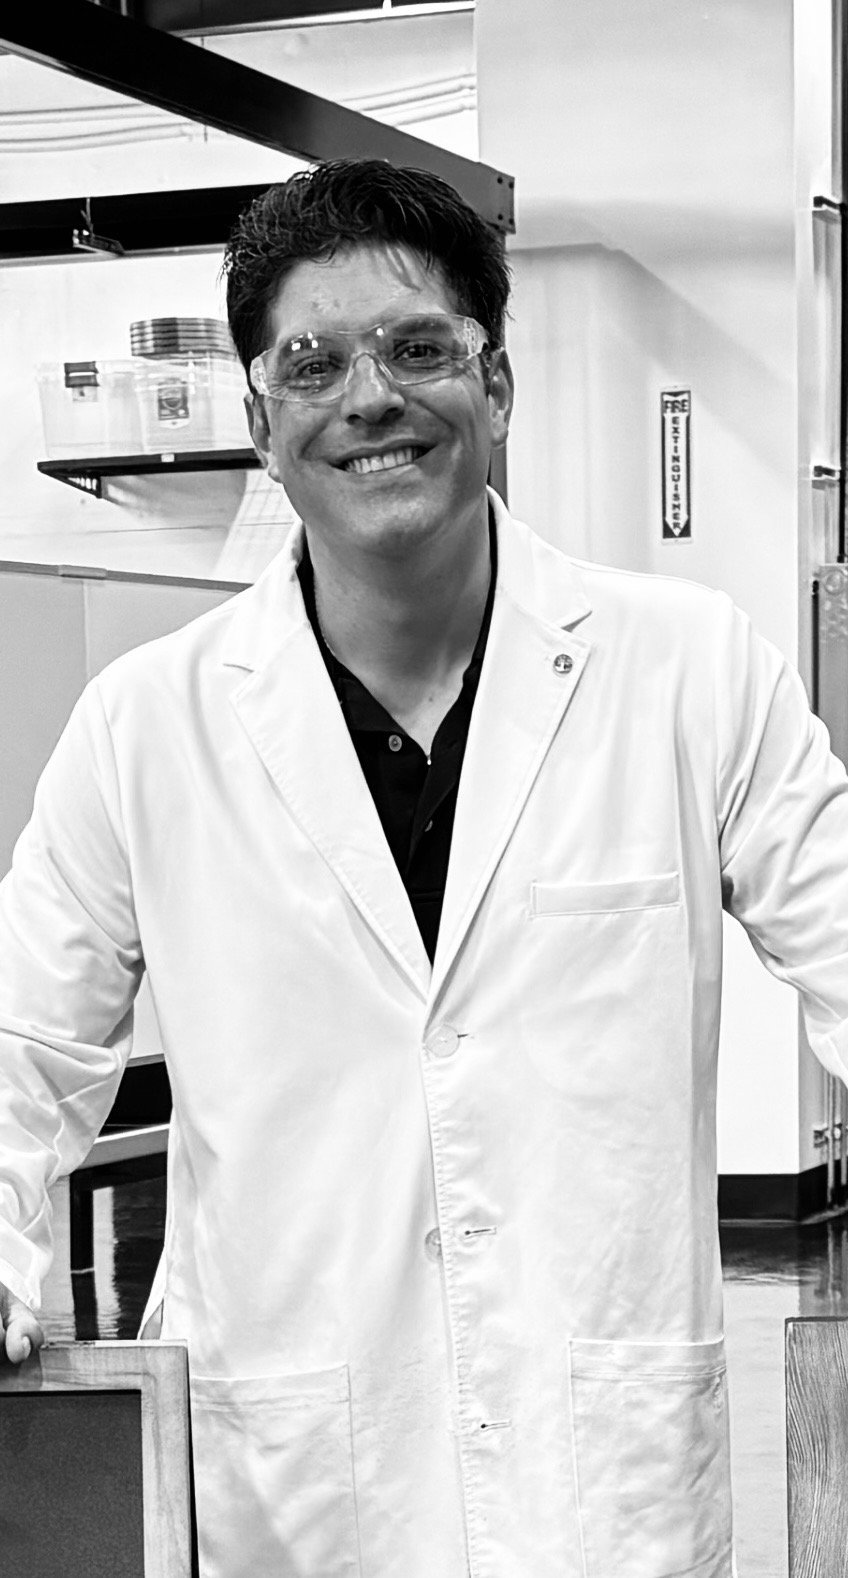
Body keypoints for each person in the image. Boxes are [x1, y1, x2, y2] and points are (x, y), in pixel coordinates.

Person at [1, 157, 847, 1578]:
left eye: (417, 347)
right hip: (291, 1491)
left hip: (605, 1491)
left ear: (497, 387)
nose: (368, 397)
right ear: (264, 419)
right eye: (313, 361)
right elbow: (21, 1046)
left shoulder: (690, 671)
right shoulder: (148, 726)